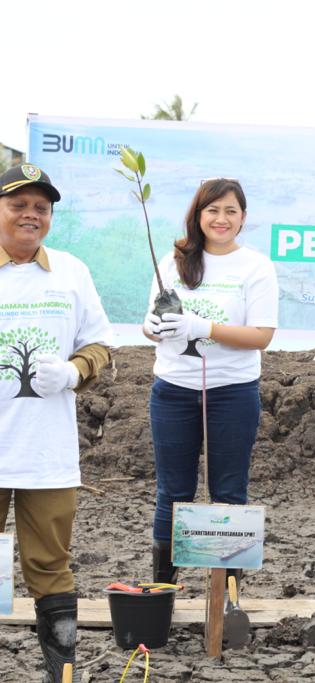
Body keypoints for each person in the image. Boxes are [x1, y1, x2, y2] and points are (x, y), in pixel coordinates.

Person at [0, 164, 113, 682]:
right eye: (18, 205)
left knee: (50, 565)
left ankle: (60, 674)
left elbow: (99, 344)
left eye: (41, 208)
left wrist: (73, 371)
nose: (31, 215)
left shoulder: (70, 272)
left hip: (45, 450)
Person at [142, 179, 278, 592]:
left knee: (229, 491)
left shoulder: (255, 266)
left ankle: (226, 595)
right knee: (173, 492)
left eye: (231, 211)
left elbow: (262, 336)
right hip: (173, 391)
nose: (221, 219)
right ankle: (163, 589)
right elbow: (152, 323)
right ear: (198, 215)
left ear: (243, 218)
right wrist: (150, 327)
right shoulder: (174, 261)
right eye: (213, 210)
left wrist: (205, 328)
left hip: (232, 393)